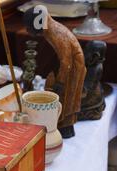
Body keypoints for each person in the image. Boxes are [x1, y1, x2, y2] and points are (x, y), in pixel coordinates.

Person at [23, 5, 86, 138]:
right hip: (67, 64)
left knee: (66, 97)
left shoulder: (55, 32)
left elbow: (66, 61)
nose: (29, 31)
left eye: (30, 28)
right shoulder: (48, 29)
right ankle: (60, 124)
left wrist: (61, 82)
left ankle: (65, 128)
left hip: (73, 66)